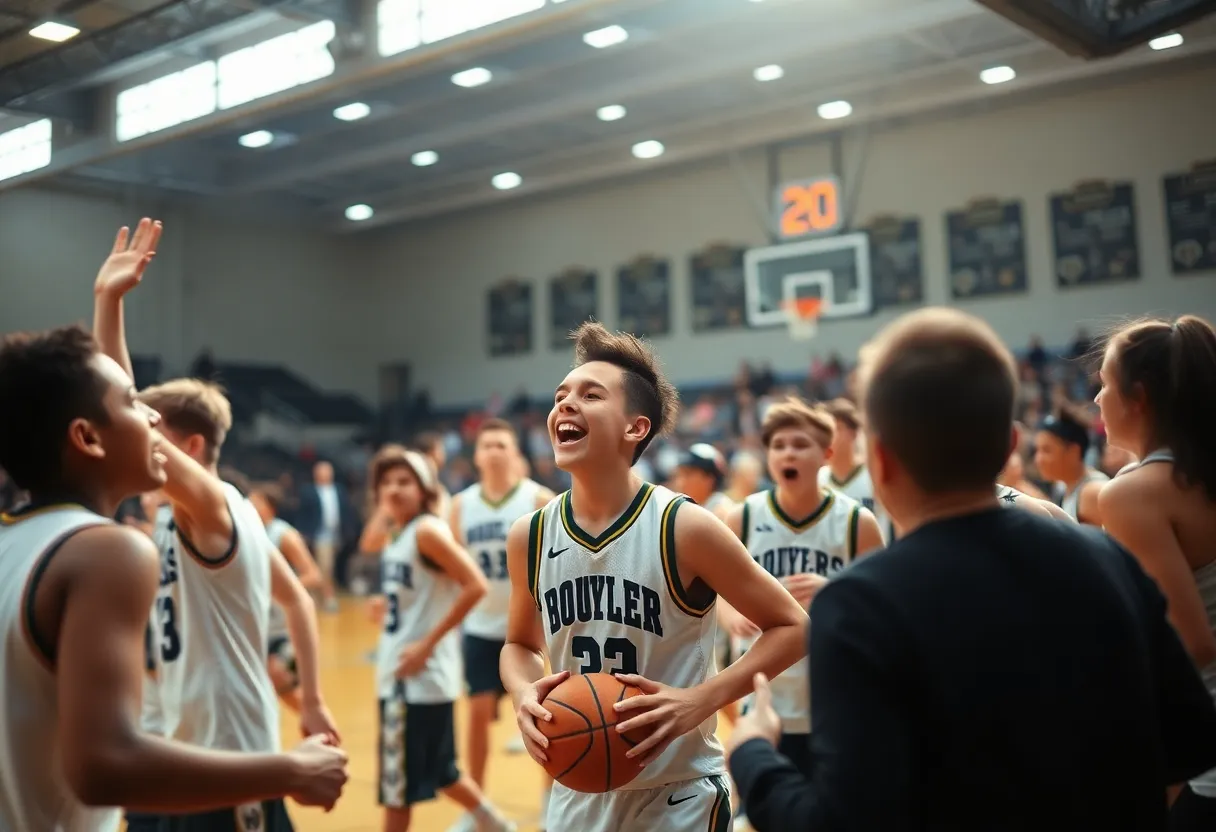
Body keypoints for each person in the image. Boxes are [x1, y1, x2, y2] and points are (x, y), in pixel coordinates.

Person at [726, 306, 1216, 831]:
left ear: (881, 461)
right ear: (1010, 446)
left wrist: (752, 754)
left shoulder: (857, 605)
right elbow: (1191, 740)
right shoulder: (1107, 557)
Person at [0, 324, 348, 831]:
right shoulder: (108, 549)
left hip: (217, 741)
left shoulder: (18, 540)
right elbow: (104, 766)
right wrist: (291, 769)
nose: (148, 418)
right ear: (87, 437)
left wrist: (110, 309)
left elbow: (296, 598)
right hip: (178, 749)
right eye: (133, 404)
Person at [500, 322, 808, 831]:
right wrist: (522, 691)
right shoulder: (529, 536)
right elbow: (518, 644)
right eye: (560, 396)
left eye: (590, 395)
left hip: (679, 792)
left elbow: (794, 626)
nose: (566, 404)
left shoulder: (683, 527)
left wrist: (699, 700)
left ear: (635, 428)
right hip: (576, 791)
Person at [92, 218, 341, 831]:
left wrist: (108, 303)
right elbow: (297, 600)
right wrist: (310, 700)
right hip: (182, 747)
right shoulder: (194, 517)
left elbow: (122, 414)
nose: (140, 431)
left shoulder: (213, 507)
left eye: (155, 425)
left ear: (191, 447)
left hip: (230, 757)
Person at [1095, 315, 1216, 830]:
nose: (1096, 399)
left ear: (1137, 398)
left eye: (1104, 384)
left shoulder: (1133, 493)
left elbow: (1192, 644)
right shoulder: (1187, 473)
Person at [720, 397, 884, 778]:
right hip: (763, 695)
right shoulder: (742, 517)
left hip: (833, 696)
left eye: (800, 444)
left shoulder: (856, 522)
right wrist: (731, 615)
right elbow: (714, 591)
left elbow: (882, 605)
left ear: (827, 454)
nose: (788, 453)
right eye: (778, 445)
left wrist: (835, 589)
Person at [359, 445, 515, 832]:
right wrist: (389, 606)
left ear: (424, 489)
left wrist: (425, 645)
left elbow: (475, 585)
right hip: (413, 677)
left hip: (414, 679)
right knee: (443, 770)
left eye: (404, 482)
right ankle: (495, 823)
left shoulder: (426, 530)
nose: (394, 489)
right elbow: (424, 591)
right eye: (386, 482)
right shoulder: (399, 533)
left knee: (397, 791)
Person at [446, 419, 554, 832]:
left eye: (501, 445)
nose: (493, 451)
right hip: (480, 625)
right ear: (476, 455)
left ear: (515, 453)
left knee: (547, 716)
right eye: (486, 445)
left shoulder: (538, 498)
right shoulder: (460, 505)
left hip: (530, 626)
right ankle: (477, 808)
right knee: (476, 716)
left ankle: (551, 801)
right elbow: (451, 566)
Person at [250, 482, 324, 713]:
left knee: (281, 678)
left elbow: (313, 575)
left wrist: (283, 589)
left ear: (270, 507)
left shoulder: (284, 535)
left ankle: (317, 721)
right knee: (260, 688)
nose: (251, 506)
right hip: (260, 626)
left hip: (285, 628)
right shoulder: (249, 532)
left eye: (257, 502)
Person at [818, 397, 894, 541]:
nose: (829, 436)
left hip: (874, 552)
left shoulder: (875, 474)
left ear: (853, 433)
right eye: (824, 430)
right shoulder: (817, 479)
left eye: (836, 428)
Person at [1034, 407, 1108, 524]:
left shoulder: (1092, 492)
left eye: (1046, 450)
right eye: (1037, 450)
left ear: (1074, 451)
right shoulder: (1063, 486)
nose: (1038, 459)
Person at [670, 443, 733, 519]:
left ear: (709, 479)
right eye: (680, 474)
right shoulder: (691, 507)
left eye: (688, 474)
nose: (681, 481)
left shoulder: (721, 511)